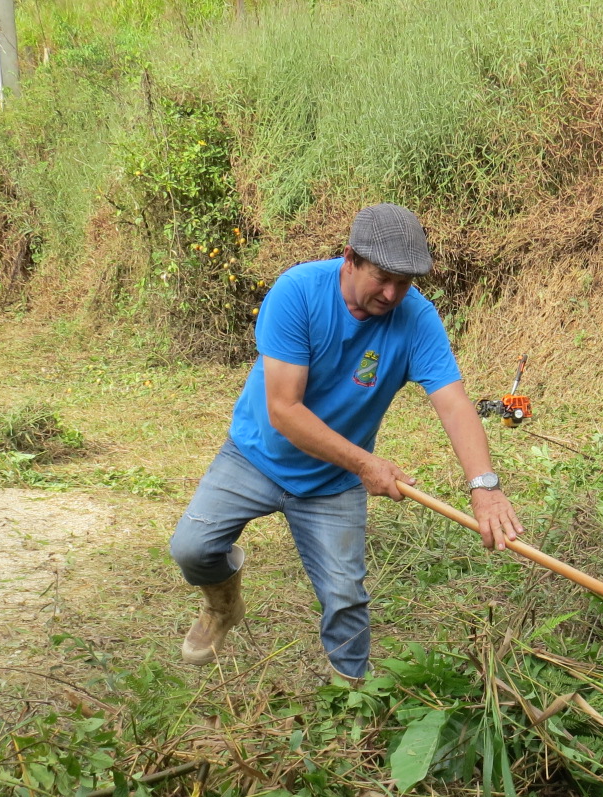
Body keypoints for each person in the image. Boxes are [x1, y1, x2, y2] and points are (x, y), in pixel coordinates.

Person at [168, 203, 524, 682]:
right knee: (192, 549)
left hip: (333, 481)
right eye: (383, 277)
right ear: (350, 257)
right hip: (257, 456)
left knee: (345, 597)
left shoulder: (416, 319)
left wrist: (484, 486)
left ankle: (352, 696)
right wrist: (365, 464)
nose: (392, 293)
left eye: (406, 282)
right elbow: (285, 411)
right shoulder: (298, 292)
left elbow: (456, 405)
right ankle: (223, 605)